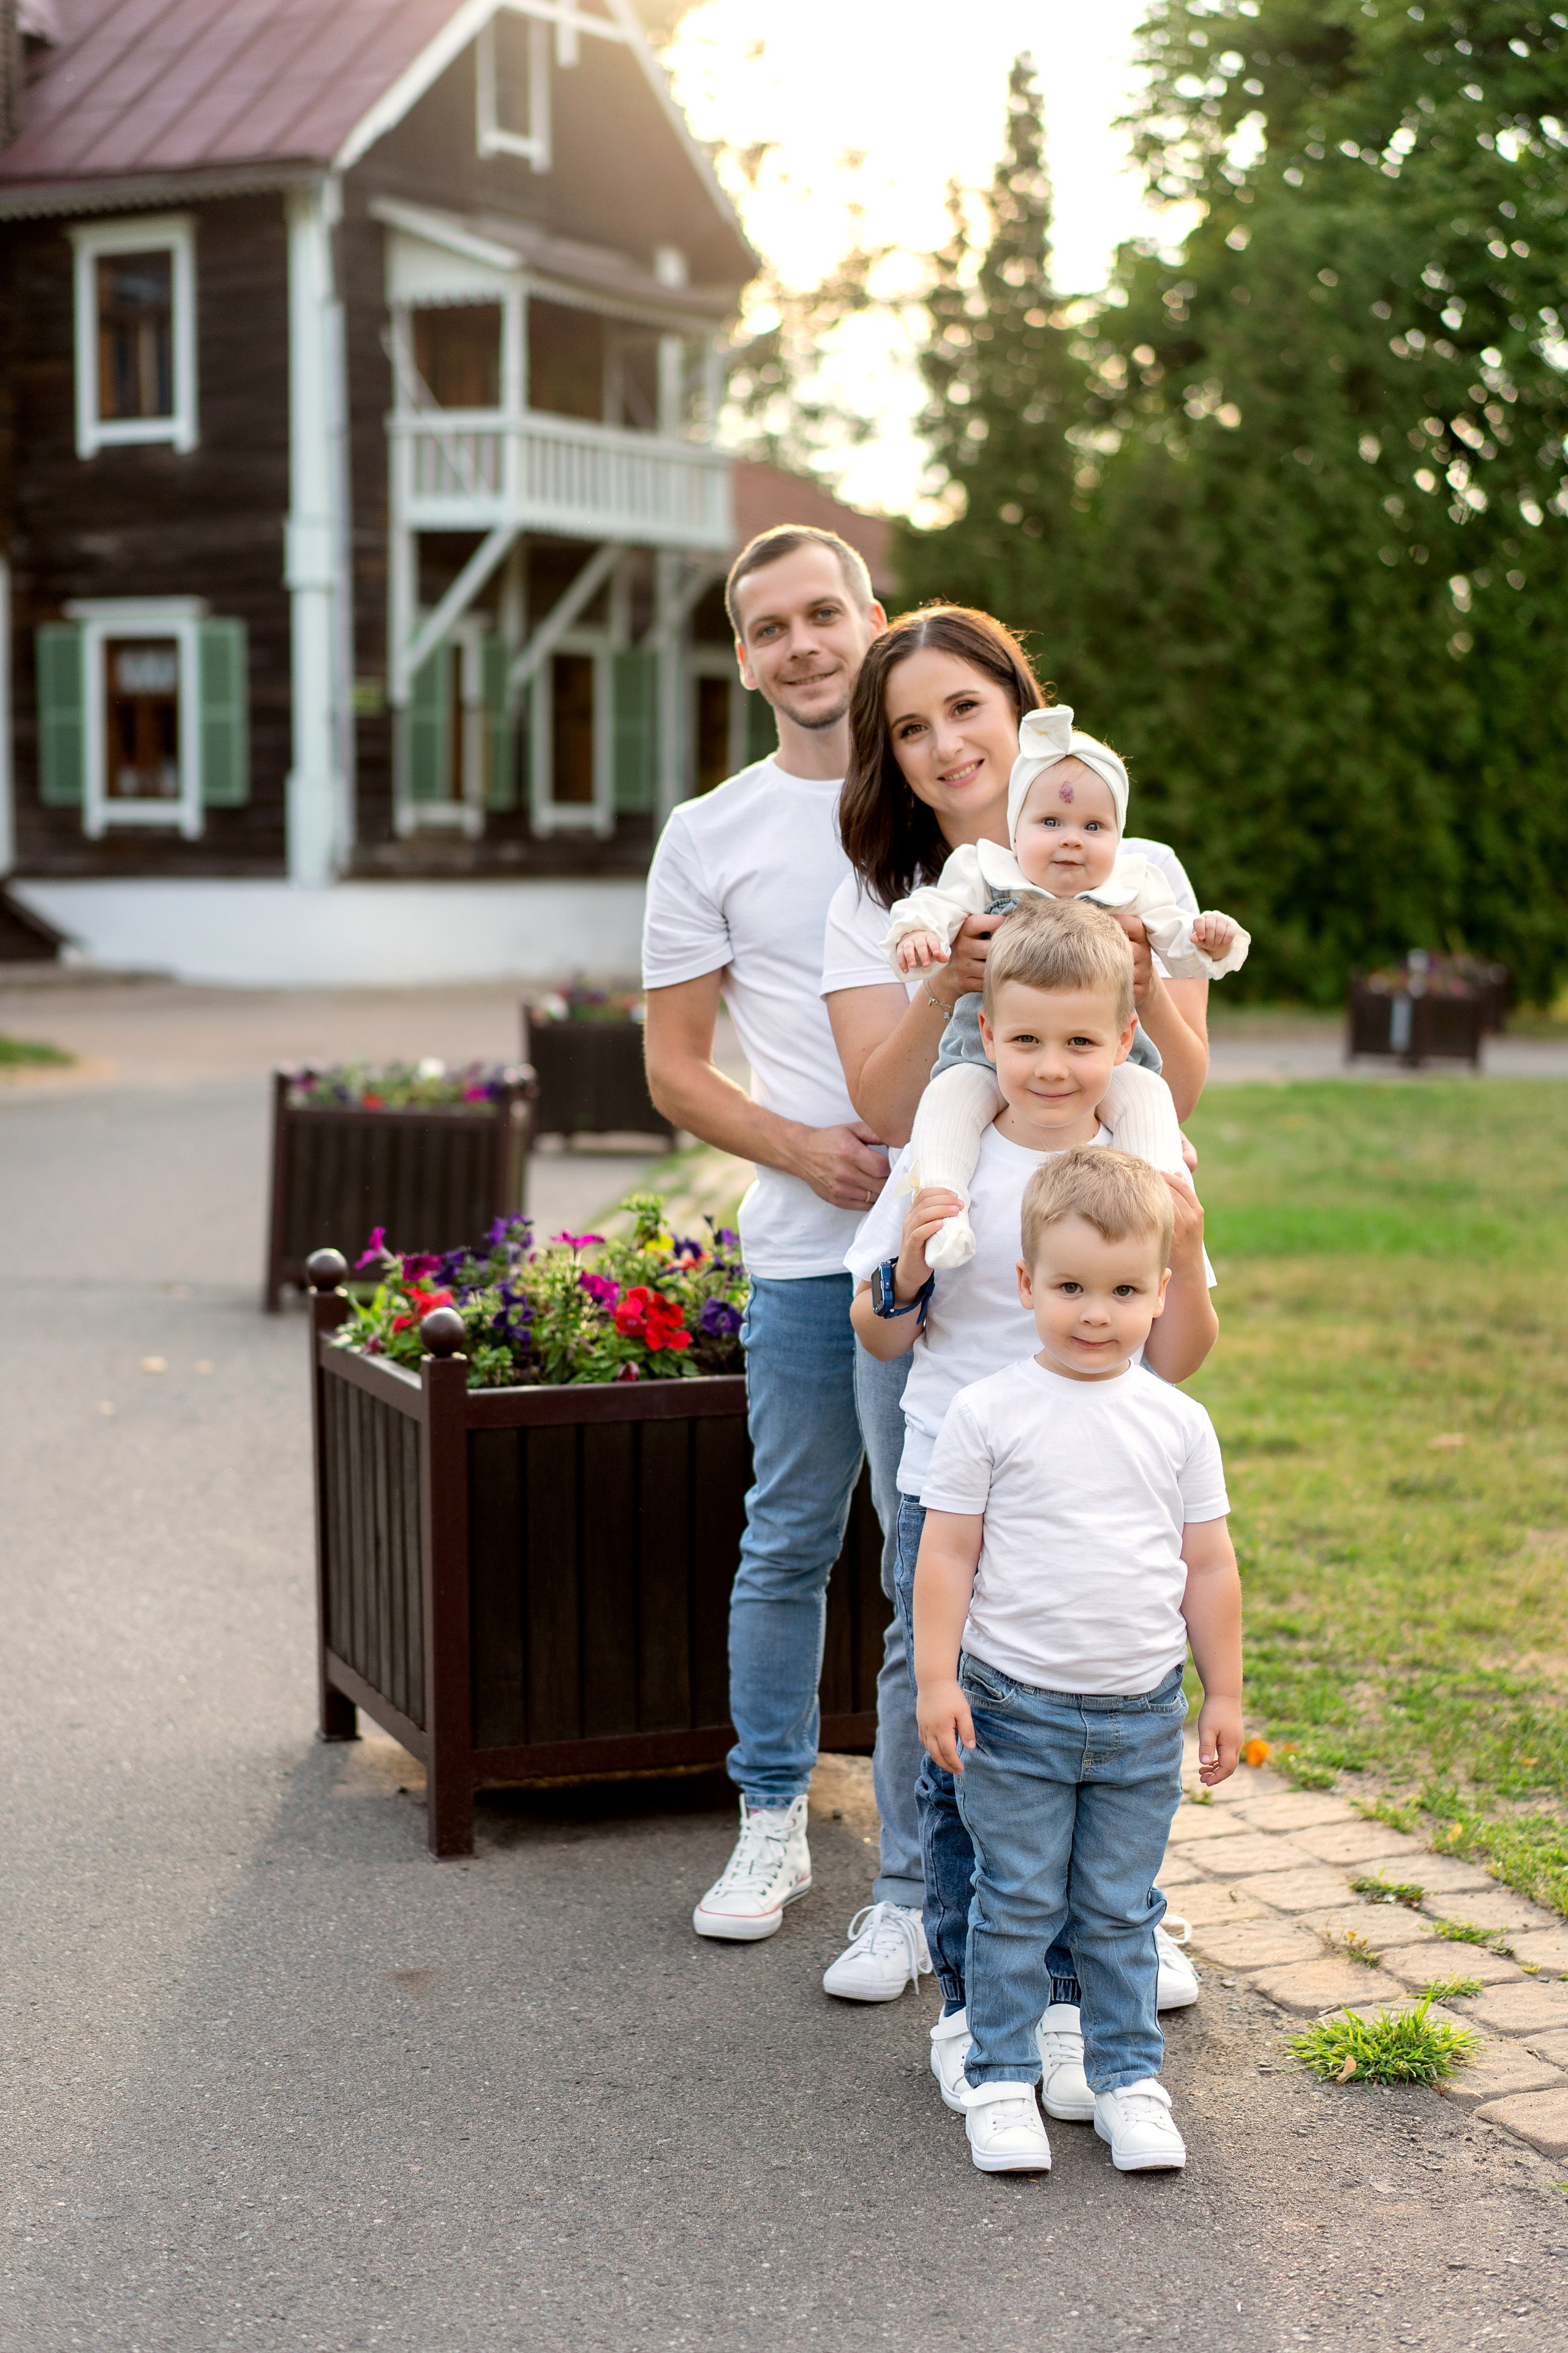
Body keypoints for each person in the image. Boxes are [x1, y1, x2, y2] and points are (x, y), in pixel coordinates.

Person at [849, 900, 1218, 2115]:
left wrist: (1190, 1249)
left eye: (1079, 1042)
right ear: (986, 1034)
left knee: (1075, 1745)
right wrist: (910, 1258)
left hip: (1089, 1502)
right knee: (970, 1759)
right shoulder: (947, 1157)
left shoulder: (1139, 1172)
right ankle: (969, 1998)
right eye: (1024, 1041)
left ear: (1123, 1039)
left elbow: (1183, 1355)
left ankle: (1065, 1996)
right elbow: (878, 1333)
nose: (1051, 1068)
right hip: (955, 1489)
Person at [641, 524, 929, 1990]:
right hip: (812, 1250)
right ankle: (769, 1818)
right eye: (770, 628)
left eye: (824, 612)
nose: (803, 643)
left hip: (957, 1245)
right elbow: (673, 1070)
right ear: (744, 661)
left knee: (939, 1554)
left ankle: (926, 1865)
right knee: (791, 1535)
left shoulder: (943, 793)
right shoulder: (709, 834)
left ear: (871, 619)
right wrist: (803, 1149)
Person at [914, 1146, 1242, 2175]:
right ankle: (1002, 2079)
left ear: (1161, 1292)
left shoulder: (1178, 1422)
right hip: (1012, 1709)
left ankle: (1127, 2079)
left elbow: (1208, 1565)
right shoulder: (988, 1412)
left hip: (1141, 1716)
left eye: (1123, 1292)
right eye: (1070, 1289)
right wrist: (936, 1679)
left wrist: (1224, 1694)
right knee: (1015, 1901)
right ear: (1026, 1284)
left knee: (1119, 1909)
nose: (1096, 1314)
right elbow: (946, 1553)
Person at [881, 702, 1249, 1269]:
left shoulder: (1133, 886)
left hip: (1097, 1062)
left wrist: (1210, 938)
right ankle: (945, 1214)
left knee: (1147, 1099)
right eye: (1051, 823)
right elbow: (933, 906)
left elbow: (1182, 941)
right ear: (1016, 830)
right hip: (986, 1054)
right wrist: (919, 935)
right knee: (948, 1100)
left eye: (1093, 827)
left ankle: (1159, 1218)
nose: (1072, 840)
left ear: (1119, 837)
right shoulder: (987, 874)